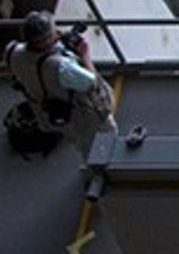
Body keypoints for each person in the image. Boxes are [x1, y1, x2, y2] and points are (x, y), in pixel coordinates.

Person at [8, 9, 113, 149]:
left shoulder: (13, 53)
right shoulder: (59, 67)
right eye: (54, 31)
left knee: (78, 141)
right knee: (100, 143)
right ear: (43, 41)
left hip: (48, 113)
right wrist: (84, 54)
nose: (58, 32)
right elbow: (91, 82)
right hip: (81, 116)